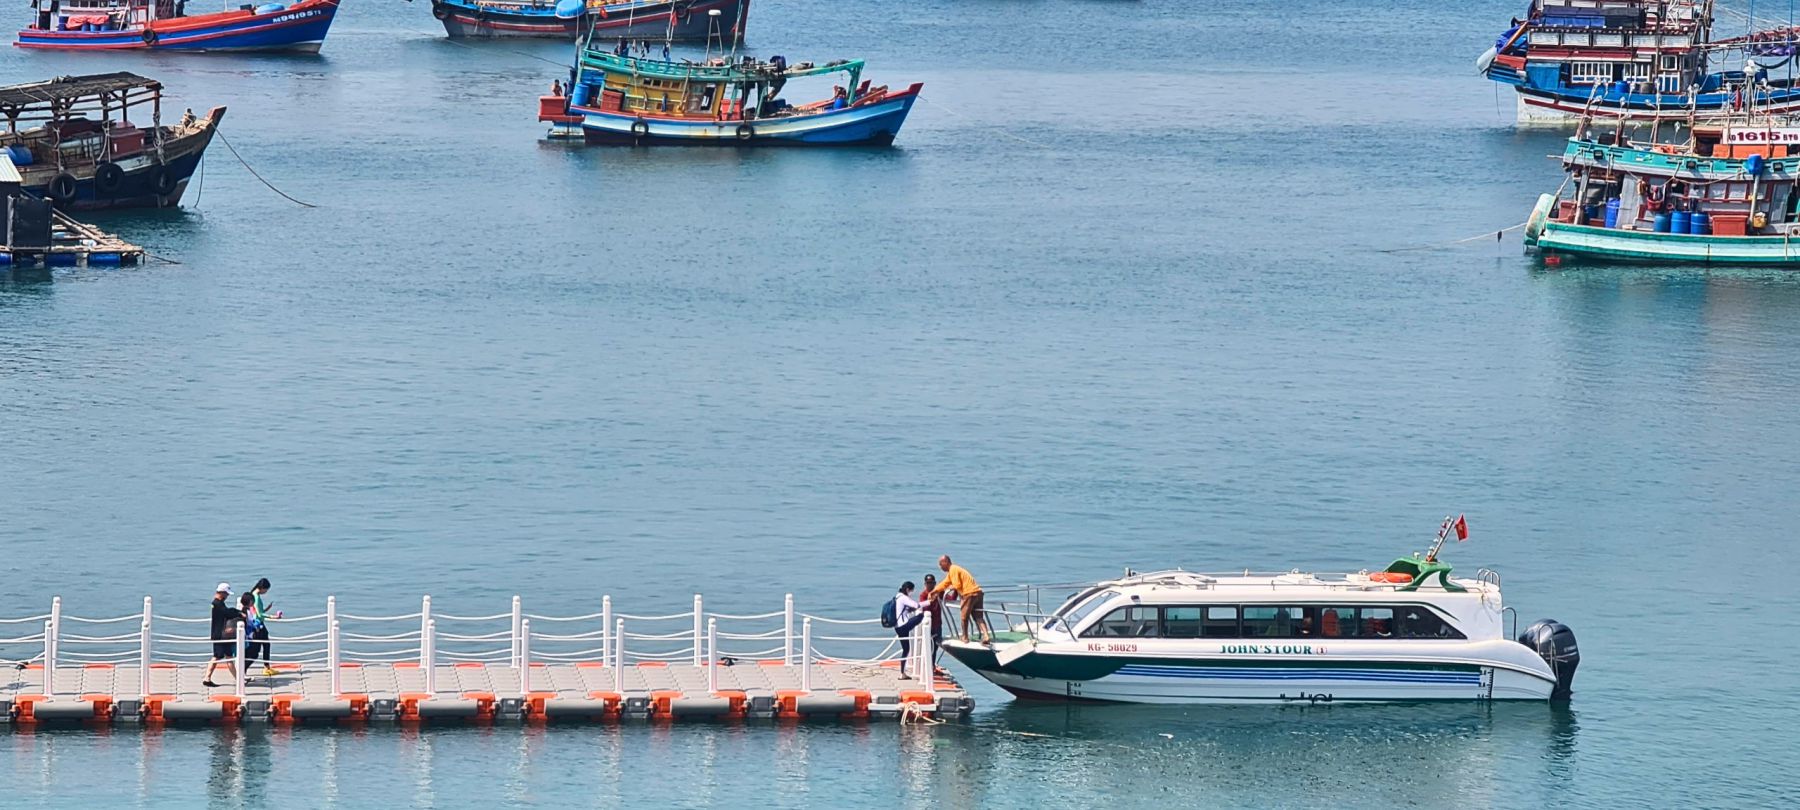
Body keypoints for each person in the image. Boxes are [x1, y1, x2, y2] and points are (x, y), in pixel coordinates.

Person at [927, 555, 991, 644]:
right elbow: (944, 583)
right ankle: (986, 635)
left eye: (941, 564)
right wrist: (934, 591)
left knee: (964, 617)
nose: (940, 567)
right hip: (978, 592)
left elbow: (957, 585)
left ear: (946, 562)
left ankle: (965, 637)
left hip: (969, 594)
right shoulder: (952, 571)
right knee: (978, 616)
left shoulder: (953, 569)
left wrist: (947, 589)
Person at [202, 583, 243, 688]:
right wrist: (238, 613)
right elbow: (227, 613)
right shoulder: (217, 604)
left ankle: (239, 679)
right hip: (220, 635)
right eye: (226, 594)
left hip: (221, 634)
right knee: (217, 656)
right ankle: (207, 677)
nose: (227, 596)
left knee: (227, 657)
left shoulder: (218, 603)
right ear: (222, 593)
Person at [250, 577, 282, 677]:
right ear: (263, 588)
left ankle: (266, 667)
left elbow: (258, 611)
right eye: (266, 590)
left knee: (262, 646)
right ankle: (266, 667)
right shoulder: (257, 597)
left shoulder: (253, 595)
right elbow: (260, 614)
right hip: (259, 624)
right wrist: (273, 617)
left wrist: (267, 609)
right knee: (263, 646)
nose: (266, 592)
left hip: (257, 623)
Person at [892, 581, 923, 679]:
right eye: (911, 591)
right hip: (903, 626)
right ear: (908, 590)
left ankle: (902, 673)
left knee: (906, 649)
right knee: (921, 616)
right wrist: (926, 604)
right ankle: (902, 673)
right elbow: (916, 605)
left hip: (897, 627)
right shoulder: (904, 598)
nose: (911, 593)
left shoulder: (897, 597)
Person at [921, 573, 946, 671]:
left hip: (937, 624)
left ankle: (932, 665)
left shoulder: (938, 593)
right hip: (928, 625)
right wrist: (931, 600)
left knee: (936, 646)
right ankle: (928, 666)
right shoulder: (923, 595)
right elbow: (925, 608)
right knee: (928, 646)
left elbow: (950, 599)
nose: (930, 585)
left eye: (932, 583)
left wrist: (955, 589)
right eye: (928, 583)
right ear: (925, 584)